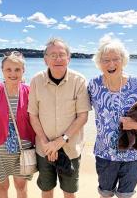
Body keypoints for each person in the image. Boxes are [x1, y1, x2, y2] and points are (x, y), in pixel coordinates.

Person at [87, 36, 137, 198]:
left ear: (123, 60)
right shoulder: (93, 85)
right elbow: (78, 109)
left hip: (134, 152)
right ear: (99, 63)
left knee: (126, 195)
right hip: (105, 152)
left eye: (116, 59)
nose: (111, 64)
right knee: (105, 193)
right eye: (106, 60)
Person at [28, 38, 91, 198]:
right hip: (44, 148)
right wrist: (45, 143)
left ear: (68, 58)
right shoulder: (36, 80)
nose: (57, 59)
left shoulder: (79, 80)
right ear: (45, 60)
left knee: (69, 192)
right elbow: (33, 115)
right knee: (46, 190)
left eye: (62, 55)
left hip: (70, 149)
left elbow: (83, 116)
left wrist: (61, 141)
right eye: (53, 55)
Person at [0, 51, 36, 198]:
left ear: (23, 71)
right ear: (2, 71)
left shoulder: (30, 92)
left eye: (17, 69)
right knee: (2, 189)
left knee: (21, 187)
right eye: (8, 69)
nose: (13, 73)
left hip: (23, 150)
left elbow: (37, 121)